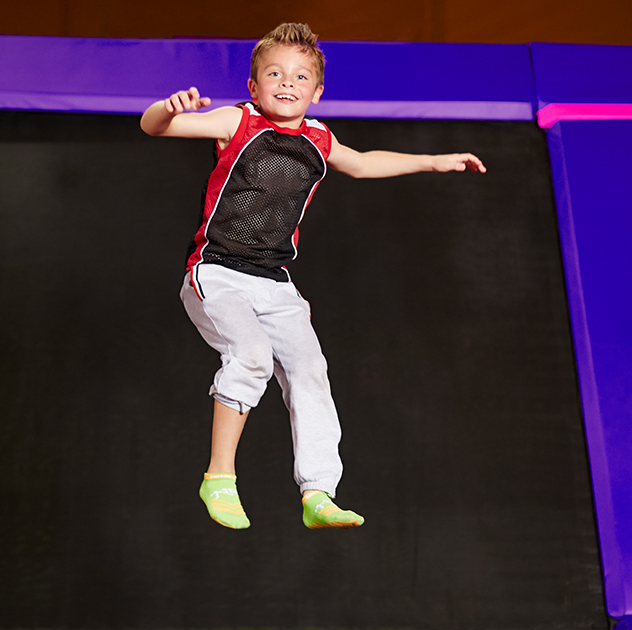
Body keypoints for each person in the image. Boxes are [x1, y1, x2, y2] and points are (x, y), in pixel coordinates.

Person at [140, 22, 486, 531]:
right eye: (274, 73)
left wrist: (432, 161)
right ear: (254, 87)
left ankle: (318, 492)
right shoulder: (237, 122)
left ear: (317, 91)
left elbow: (365, 164)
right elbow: (154, 127)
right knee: (252, 357)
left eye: (300, 76)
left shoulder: (319, 138)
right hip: (217, 274)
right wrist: (168, 109)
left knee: (309, 372)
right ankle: (219, 477)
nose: (286, 83)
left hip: (276, 283)